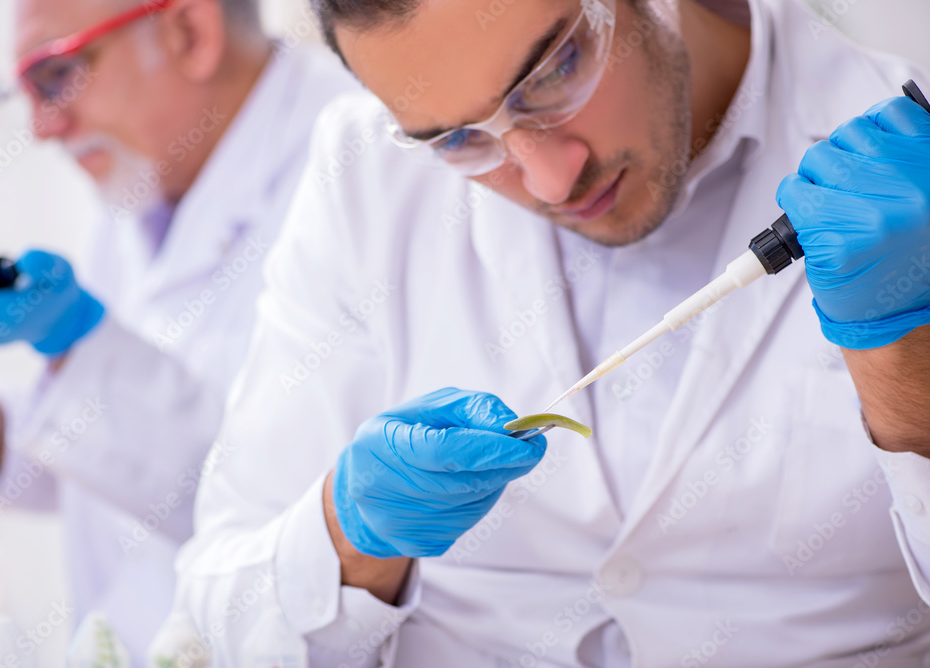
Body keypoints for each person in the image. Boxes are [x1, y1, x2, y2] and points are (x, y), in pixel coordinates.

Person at [175, 0, 930, 664]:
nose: (550, 180)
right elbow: (217, 617)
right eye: (455, 141)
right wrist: (350, 537)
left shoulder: (903, 166)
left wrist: (905, 362)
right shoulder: (364, 172)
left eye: (553, 71)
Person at [0, 0, 357, 661]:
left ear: (190, 31)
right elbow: (105, 468)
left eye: (56, 74)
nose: (42, 127)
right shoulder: (145, 185)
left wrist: (74, 341)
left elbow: (278, 508)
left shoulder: (354, 165)